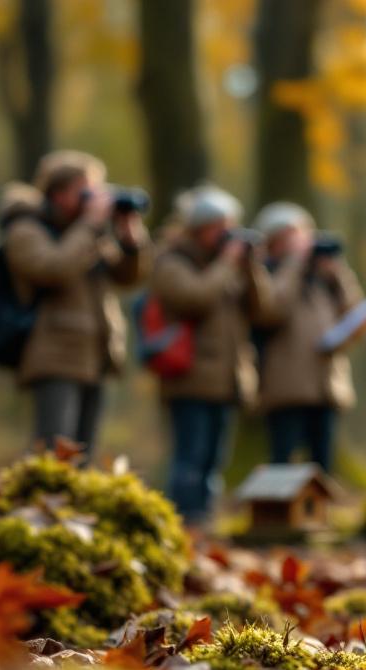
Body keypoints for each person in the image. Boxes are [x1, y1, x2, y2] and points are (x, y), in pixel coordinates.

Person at [4, 150, 151, 459]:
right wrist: (90, 225)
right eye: (85, 192)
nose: (94, 200)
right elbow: (51, 270)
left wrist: (129, 240)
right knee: (53, 450)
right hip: (53, 352)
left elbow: (127, 278)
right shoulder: (26, 229)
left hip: (95, 351)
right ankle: (36, 507)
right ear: (58, 194)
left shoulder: (88, 233)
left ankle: (74, 508)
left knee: (83, 452)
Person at [150, 185, 276, 523]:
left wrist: (250, 268)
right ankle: (182, 520)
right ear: (198, 227)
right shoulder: (172, 260)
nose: (227, 235)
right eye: (219, 227)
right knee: (190, 458)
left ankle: (204, 519)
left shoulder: (232, 266)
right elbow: (194, 298)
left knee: (213, 462)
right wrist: (226, 263)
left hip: (227, 379)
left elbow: (262, 310)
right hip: (189, 377)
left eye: (230, 226)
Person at [252, 202, 364, 471]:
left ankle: (321, 513)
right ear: (273, 241)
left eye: (304, 235)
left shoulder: (322, 277)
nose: (303, 244)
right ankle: (279, 512)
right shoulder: (264, 272)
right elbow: (271, 311)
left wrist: (338, 274)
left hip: (325, 384)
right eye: (293, 237)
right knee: (283, 463)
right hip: (285, 387)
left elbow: (355, 315)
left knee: (323, 462)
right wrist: (294, 264)